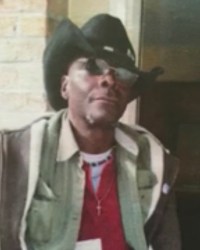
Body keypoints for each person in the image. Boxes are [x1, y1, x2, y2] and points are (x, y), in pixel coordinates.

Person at [0, 14, 181, 250]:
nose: (109, 79)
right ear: (65, 85)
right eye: (93, 66)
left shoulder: (154, 161)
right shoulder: (15, 154)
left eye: (123, 74)